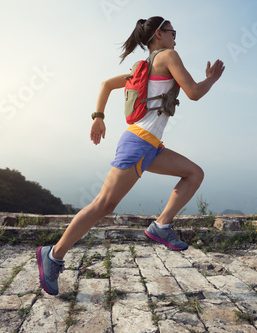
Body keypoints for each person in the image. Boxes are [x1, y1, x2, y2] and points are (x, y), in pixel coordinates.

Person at [37, 16, 225, 295]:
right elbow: (194, 92)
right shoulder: (168, 55)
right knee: (103, 204)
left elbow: (105, 84)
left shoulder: (144, 68)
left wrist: (99, 117)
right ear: (160, 34)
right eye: (173, 32)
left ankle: (161, 226)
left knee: (194, 173)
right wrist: (211, 79)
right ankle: (53, 255)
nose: (176, 38)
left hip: (150, 146)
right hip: (139, 143)